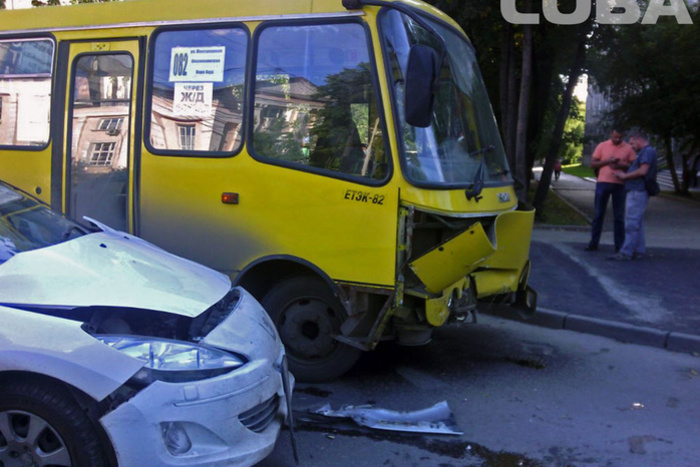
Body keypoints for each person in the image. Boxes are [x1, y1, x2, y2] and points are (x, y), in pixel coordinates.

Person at [585, 128, 637, 252]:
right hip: (603, 182)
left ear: (623, 136)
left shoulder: (628, 148)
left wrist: (621, 165)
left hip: (620, 185)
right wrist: (608, 161)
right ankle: (593, 243)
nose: (617, 140)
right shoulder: (602, 146)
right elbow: (593, 164)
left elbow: (634, 166)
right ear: (610, 135)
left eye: (620, 137)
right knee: (598, 214)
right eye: (615, 137)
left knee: (619, 216)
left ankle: (619, 245)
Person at [609, 132, 658, 260]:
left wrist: (625, 176)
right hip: (638, 190)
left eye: (632, 143)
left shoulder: (646, 152)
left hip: (637, 190)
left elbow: (643, 171)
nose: (631, 146)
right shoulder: (647, 152)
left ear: (639, 140)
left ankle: (626, 252)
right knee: (638, 222)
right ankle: (638, 250)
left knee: (631, 223)